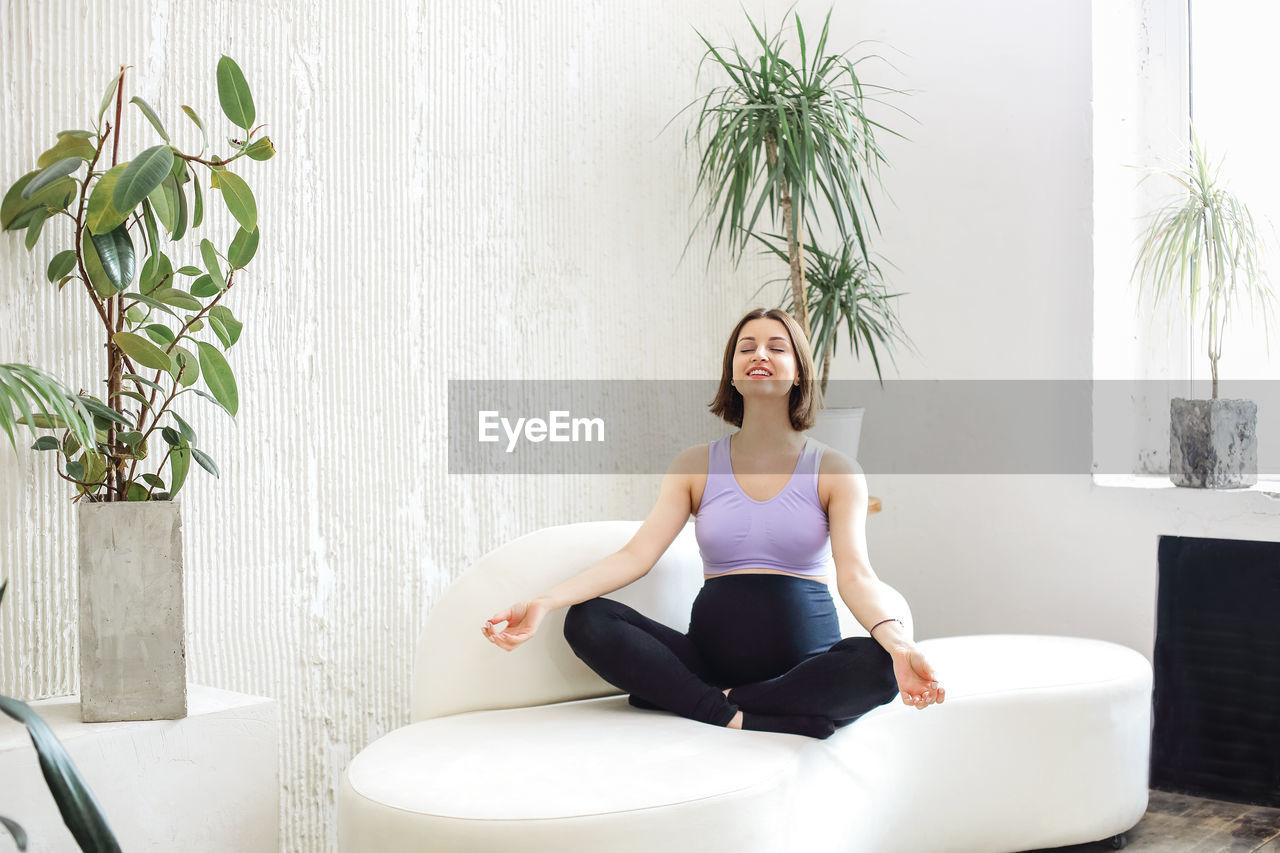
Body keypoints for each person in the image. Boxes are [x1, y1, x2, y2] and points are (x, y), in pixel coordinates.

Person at [481, 307, 945, 739]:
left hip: (804, 666)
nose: (759, 354)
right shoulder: (695, 464)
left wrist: (899, 644)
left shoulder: (836, 470)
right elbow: (636, 555)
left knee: (879, 665)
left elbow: (857, 575)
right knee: (587, 619)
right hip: (709, 660)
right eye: (746, 347)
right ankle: (751, 714)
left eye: (776, 347)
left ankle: (707, 705)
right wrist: (544, 601)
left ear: (798, 370)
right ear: (732, 372)